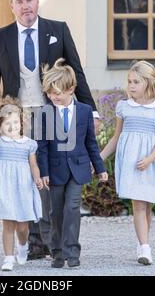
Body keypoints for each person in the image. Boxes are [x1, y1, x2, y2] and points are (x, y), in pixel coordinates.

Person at [0, 0, 100, 260]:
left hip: (52, 114)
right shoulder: (0, 37)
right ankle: (34, 241)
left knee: (50, 176)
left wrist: (91, 110)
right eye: (20, 2)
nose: (26, 6)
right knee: (24, 178)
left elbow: (76, 72)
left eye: (30, 0)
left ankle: (52, 239)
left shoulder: (57, 30)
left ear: (37, 1)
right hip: (17, 119)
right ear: (12, 6)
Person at [100, 60, 155, 265]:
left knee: (147, 206)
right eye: (129, 81)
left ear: (148, 83)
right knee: (138, 204)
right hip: (131, 162)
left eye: (136, 81)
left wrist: (149, 159)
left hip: (151, 161)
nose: (131, 85)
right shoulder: (124, 107)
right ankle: (145, 248)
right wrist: (98, 159)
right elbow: (116, 138)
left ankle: (142, 241)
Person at [37, 59, 108, 268]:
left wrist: (100, 168)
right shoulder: (45, 113)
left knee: (73, 207)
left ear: (71, 89)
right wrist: (43, 172)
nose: (53, 97)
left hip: (79, 168)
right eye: (50, 93)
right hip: (55, 171)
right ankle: (57, 251)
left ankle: (72, 251)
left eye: (57, 93)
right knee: (55, 211)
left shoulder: (85, 111)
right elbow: (41, 146)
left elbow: (90, 143)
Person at [0, 96, 44, 271]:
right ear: (0, 126)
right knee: (8, 224)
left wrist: (37, 178)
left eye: (15, 122)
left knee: (22, 227)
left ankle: (22, 244)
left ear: (21, 121)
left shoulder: (29, 144)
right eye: (7, 124)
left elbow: (33, 165)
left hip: (23, 187)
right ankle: (8, 257)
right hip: (4, 187)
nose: (12, 127)